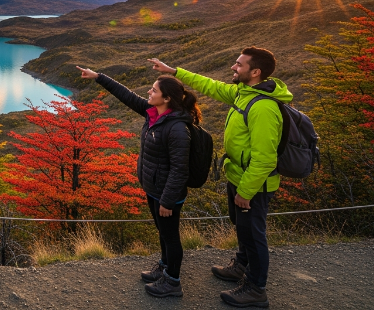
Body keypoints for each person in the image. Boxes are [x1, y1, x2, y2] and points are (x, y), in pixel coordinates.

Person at [149, 47, 291, 308]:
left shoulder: (263, 108)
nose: (233, 67)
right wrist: (174, 71)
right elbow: (210, 85)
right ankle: (241, 266)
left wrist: (245, 192)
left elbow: (265, 159)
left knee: (254, 235)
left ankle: (256, 289)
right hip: (238, 176)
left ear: (255, 72)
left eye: (239, 64)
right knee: (243, 229)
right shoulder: (243, 93)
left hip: (254, 185)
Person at [78, 66, 199, 298]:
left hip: (167, 194)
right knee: (163, 232)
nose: (149, 92)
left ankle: (173, 282)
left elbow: (179, 170)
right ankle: (165, 267)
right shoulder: (153, 114)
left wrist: (167, 200)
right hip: (154, 188)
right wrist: (98, 77)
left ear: (167, 98)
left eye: (154, 90)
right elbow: (126, 95)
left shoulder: (177, 128)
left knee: (171, 236)